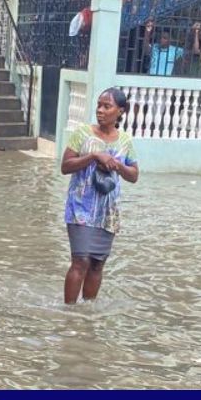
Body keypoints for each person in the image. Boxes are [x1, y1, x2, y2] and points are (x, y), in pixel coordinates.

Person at [59, 87, 139, 305]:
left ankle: (87, 312)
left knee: (97, 263)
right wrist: (94, 156)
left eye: (107, 106)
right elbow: (65, 166)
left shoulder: (125, 141)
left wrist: (117, 165)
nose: (100, 110)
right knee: (81, 261)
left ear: (120, 111)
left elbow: (134, 175)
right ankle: (69, 312)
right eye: (99, 105)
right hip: (80, 209)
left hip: (108, 212)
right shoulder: (83, 133)